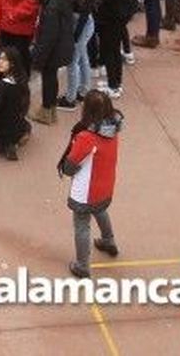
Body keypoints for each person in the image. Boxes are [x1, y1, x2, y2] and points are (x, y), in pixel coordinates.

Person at [58, 91, 122, 279]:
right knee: (101, 210)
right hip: (105, 185)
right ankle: (108, 240)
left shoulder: (86, 138)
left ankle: (82, 265)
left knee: (81, 225)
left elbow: (70, 167)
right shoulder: (113, 129)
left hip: (86, 191)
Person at [29, 0, 76, 125]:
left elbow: (48, 37)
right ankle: (50, 110)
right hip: (61, 48)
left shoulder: (51, 8)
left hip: (52, 51)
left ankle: (46, 111)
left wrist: (38, 58)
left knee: (48, 80)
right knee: (51, 79)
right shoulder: (62, 0)